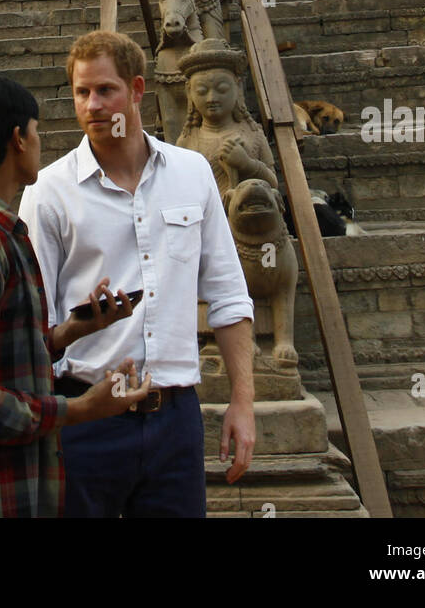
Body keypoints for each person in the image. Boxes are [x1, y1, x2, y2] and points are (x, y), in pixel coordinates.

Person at [19, 30, 257, 519]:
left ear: (138, 89)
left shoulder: (192, 175)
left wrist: (242, 402)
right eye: (82, 92)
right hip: (84, 415)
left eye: (106, 90)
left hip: (174, 417)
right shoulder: (48, 192)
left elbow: (230, 296)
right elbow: (28, 324)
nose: (93, 105)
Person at [0, 71, 150, 518]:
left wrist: (69, 332)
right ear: (18, 139)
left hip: (17, 488)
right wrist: (77, 409)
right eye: (37, 130)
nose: (41, 141)